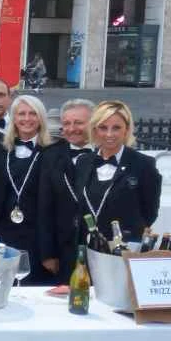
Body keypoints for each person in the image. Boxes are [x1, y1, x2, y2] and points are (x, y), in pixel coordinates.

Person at [74, 100, 161, 246]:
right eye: (103, 127)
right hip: (86, 246)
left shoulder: (144, 164)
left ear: (126, 129)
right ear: (95, 130)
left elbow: (150, 212)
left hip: (125, 247)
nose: (109, 134)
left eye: (116, 128)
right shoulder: (83, 162)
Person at [0, 95, 53, 284]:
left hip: (37, 235)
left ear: (41, 118)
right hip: (5, 232)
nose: (27, 119)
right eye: (21, 114)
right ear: (14, 118)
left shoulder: (53, 152)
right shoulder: (1, 150)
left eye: (32, 113)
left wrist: (50, 250)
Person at [38, 99, 95, 283]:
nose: (71, 129)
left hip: (99, 246)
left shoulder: (107, 153)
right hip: (64, 248)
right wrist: (48, 253)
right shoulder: (50, 156)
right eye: (67, 123)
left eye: (78, 123)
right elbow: (44, 207)